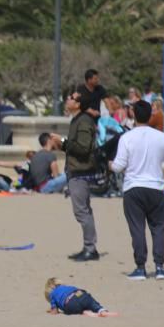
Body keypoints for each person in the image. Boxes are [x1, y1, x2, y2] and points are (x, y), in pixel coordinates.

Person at [111, 100, 164, 281]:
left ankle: (140, 267)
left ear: (133, 114)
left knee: (137, 228)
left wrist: (110, 164)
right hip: (156, 188)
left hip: (133, 188)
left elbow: (118, 166)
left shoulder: (127, 137)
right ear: (150, 115)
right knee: (158, 228)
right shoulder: (161, 137)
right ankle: (159, 266)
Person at [64, 90, 100, 261]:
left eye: (71, 98)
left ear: (78, 104)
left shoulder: (84, 121)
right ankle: (88, 247)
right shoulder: (77, 120)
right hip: (76, 171)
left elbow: (84, 148)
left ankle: (90, 249)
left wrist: (63, 143)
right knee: (84, 210)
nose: (67, 99)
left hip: (81, 172)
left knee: (81, 212)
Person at [44, 278, 118, 317]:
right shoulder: (67, 287)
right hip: (81, 294)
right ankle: (101, 310)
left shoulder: (52, 295)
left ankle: (85, 312)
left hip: (70, 302)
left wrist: (51, 310)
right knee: (91, 302)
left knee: (70, 310)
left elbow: (55, 311)